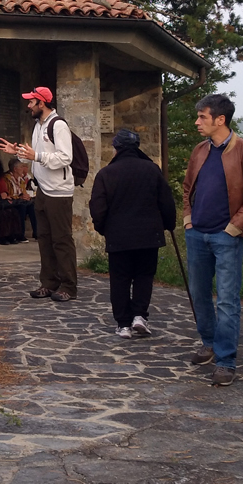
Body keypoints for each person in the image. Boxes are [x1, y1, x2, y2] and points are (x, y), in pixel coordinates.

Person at [180, 93, 243, 386]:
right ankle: (208, 343)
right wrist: (188, 221)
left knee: (228, 301)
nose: (197, 122)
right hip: (197, 235)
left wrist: (233, 228)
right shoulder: (199, 151)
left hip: (225, 237)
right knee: (199, 294)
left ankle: (226, 361)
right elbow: (187, 188)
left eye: (202, 116)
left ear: (220, 119)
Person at [89, 129, 176, 338]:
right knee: (144, 276)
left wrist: (103, 228)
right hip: (149, 235)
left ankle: (123, 324)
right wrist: (168, 224)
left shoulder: (106, 174)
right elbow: (166, 201)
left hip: (119, 235)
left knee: (120, 279)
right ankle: (139, 315)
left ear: (116, 148)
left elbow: (97, 207)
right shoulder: (152, 170)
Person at [0, 86, 78, 302]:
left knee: (61, 239)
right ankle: (49, 283)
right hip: (42, 190)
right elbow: (35, 157)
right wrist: (18, 153)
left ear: (41, 103)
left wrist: (37, 155)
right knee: (43, 238)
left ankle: (69, 286)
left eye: (31, 102)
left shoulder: (58, 125)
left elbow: (65, 158)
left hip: (59, 193)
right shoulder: (37, 125)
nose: (28, 105)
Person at [6, 159, 38, 241]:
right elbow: (8, 193)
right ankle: (20, 234)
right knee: (22, 207)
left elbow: (24, 192)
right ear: (15, 169)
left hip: (20, 201)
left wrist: (26, 196)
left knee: (32, 205)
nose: (23, 169)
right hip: (12, 202)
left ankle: (36, 232)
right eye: (21, 167)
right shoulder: (7, 179)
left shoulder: (21, 180)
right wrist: (19, 197)